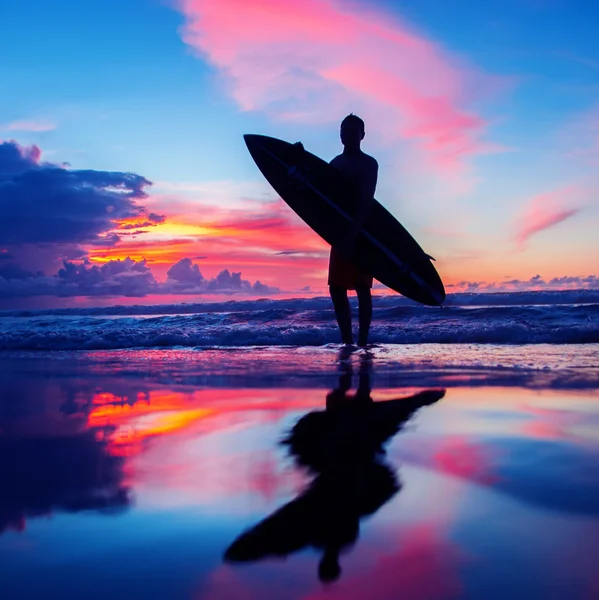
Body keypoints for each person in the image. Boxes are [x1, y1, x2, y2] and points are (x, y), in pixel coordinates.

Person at [328, 114, 379, 347]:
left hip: (363, 232)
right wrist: (298, 156)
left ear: (362, 135)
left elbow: (366, 202)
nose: (346, 134)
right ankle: (347, 342)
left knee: (362, 287)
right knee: (337, 289)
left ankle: (363, 342)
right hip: (339, 232)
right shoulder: (334, 164)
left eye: (352, 130)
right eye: (343, 130)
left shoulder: (369, 164)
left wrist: (353, 234)